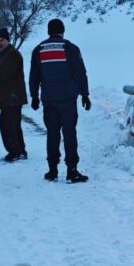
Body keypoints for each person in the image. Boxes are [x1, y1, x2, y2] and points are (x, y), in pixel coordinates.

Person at [28, 18, 90, 183]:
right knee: (69, 134)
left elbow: (34, 76)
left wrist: (34, 96)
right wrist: (85, 94)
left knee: (52, 134)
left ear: (49, 31)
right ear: (62, 31)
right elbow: (81, 73)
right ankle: (72, 170)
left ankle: (52, 170)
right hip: (68, 99)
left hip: (49, 99)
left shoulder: (38, 50)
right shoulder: (70, 48)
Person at [0, 28, 28, 162]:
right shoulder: (5, 54)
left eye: (1, 40)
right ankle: (20, 150)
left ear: (7, 40)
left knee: (6, 123)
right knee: (13, 124)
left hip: (12, 97)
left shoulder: (12, 54)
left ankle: (15, 152)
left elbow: (6, 74)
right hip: (11, 97)